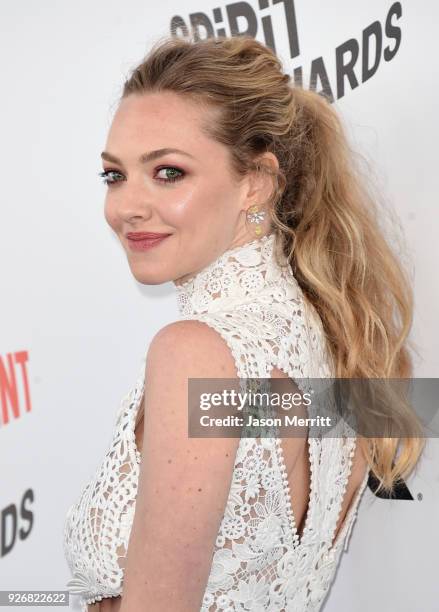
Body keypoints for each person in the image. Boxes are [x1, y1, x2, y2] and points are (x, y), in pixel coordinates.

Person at [63, 34, 425, 612]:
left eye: (168, 173)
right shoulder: (339, 335)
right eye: (115, 175)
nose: (125, 206)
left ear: (255, 181)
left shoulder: (196, 353)